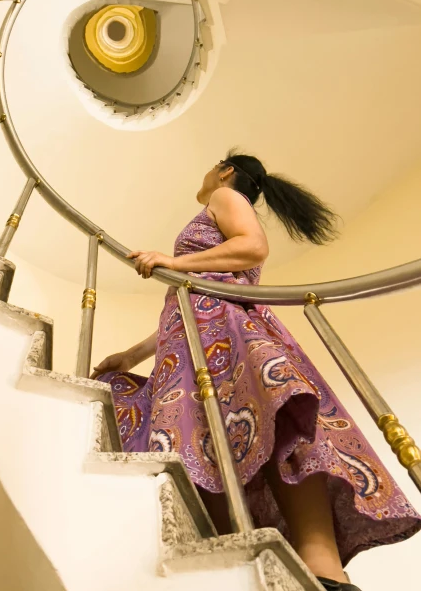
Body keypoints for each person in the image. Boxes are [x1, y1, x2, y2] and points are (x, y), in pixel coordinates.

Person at [92, 151, 421, 591]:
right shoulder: (220, 204)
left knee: (278, 420)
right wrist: (133, 357)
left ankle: (324, 571)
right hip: (199, 332)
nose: (206, 173)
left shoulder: (224, 196)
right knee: (236, 433)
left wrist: (173, 262)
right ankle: (313, 570)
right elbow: (186, 304)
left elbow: (252, 246)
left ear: (225, 171)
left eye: (211, 165)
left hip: (227, 328)